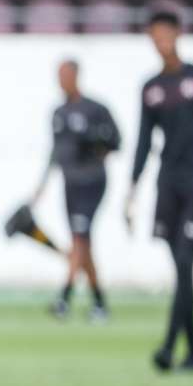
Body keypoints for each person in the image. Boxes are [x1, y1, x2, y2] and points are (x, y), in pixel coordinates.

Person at [128, 10, 193, 373]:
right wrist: (132, 186)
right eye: (155, 36)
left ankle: (168, 346)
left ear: (177, 34)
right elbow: (144, 141)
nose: (160, 41)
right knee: (182, 270)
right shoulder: (151, 88)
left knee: (187, 260)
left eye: (165, 34)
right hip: (169, 183)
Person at [33, 59, 120, 322]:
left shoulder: (96, 109)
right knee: (82, 241)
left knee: (79, 239)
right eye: (59, 75)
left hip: (91, 182)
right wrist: (42, 186)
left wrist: (95, 145)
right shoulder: (58, 113)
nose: (62, 81)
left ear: (76, 75)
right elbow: (55, 150)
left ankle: (64, 298)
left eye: (66, 75)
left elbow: (116, 141)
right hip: (70, 183)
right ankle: (99, 303)